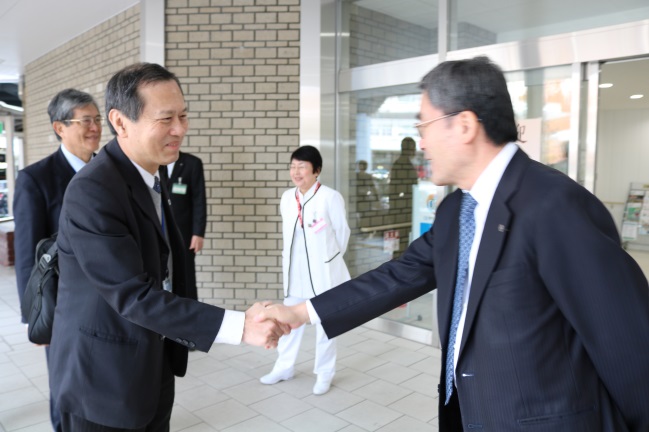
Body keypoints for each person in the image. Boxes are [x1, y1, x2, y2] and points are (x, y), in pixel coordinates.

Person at [257, 56, 649, 431]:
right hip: (470, 414)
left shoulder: (554, 205)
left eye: (424, 126)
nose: (421, 143)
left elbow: (629, 347)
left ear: (464, 125)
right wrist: (302, 313)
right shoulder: (456, 211)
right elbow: (398, 276)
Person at [48, 63, 287, 431]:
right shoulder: (93, 191)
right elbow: (134, 296)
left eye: (183, 115)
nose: (180, 129)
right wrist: (240, 327)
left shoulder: (154, 172)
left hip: (151, 360)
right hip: (102, 382)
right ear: (121, 122)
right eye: (165, 119)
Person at [13, 88, 102, 432]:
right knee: (66, 385)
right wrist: (33, 315)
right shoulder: (37, 178)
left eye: (97, 119)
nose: (95, 127)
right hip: (64, 304)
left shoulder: (110, 170)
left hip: (111, 299)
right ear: (59, 127)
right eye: (86, 120)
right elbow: (27, 254)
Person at [259, 145, 351, 395]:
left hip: (324, 274)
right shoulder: (287, 198)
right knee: (288, 321)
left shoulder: (330, 197)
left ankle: (324, 373)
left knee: (326, 324)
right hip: (295, 272)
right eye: (292, 166)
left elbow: (342, 234)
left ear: (316, 170)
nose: (296, 171)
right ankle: (284, 367)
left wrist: (328, 260)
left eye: (302, 166)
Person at [161, 151, 207, 293]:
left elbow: (199, 200)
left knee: (186, 276)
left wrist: (198, 233)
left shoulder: (192, 163)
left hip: (184, 233)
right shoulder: (154, 162)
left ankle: (190, 309)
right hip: (161, 231)